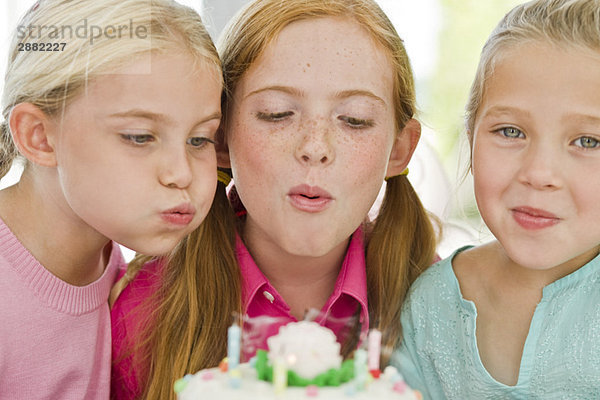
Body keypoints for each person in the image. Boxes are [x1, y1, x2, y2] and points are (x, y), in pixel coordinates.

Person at [110, 1, 438, 399]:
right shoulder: (142, 310)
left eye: (354, 120)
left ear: (399, 150)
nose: (315, 147)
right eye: (276, 113)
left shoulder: (441, 305)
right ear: (220, 137)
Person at [0, 0, 223, 398]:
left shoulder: (118, 271)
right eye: (139, 136)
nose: (181, 174)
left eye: (199, 139)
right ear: (39, 135)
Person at [393, 0, 600, 398]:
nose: (539, 173)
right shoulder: (430, 305)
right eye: (510, 132)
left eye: (587, 141)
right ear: (470, 137)